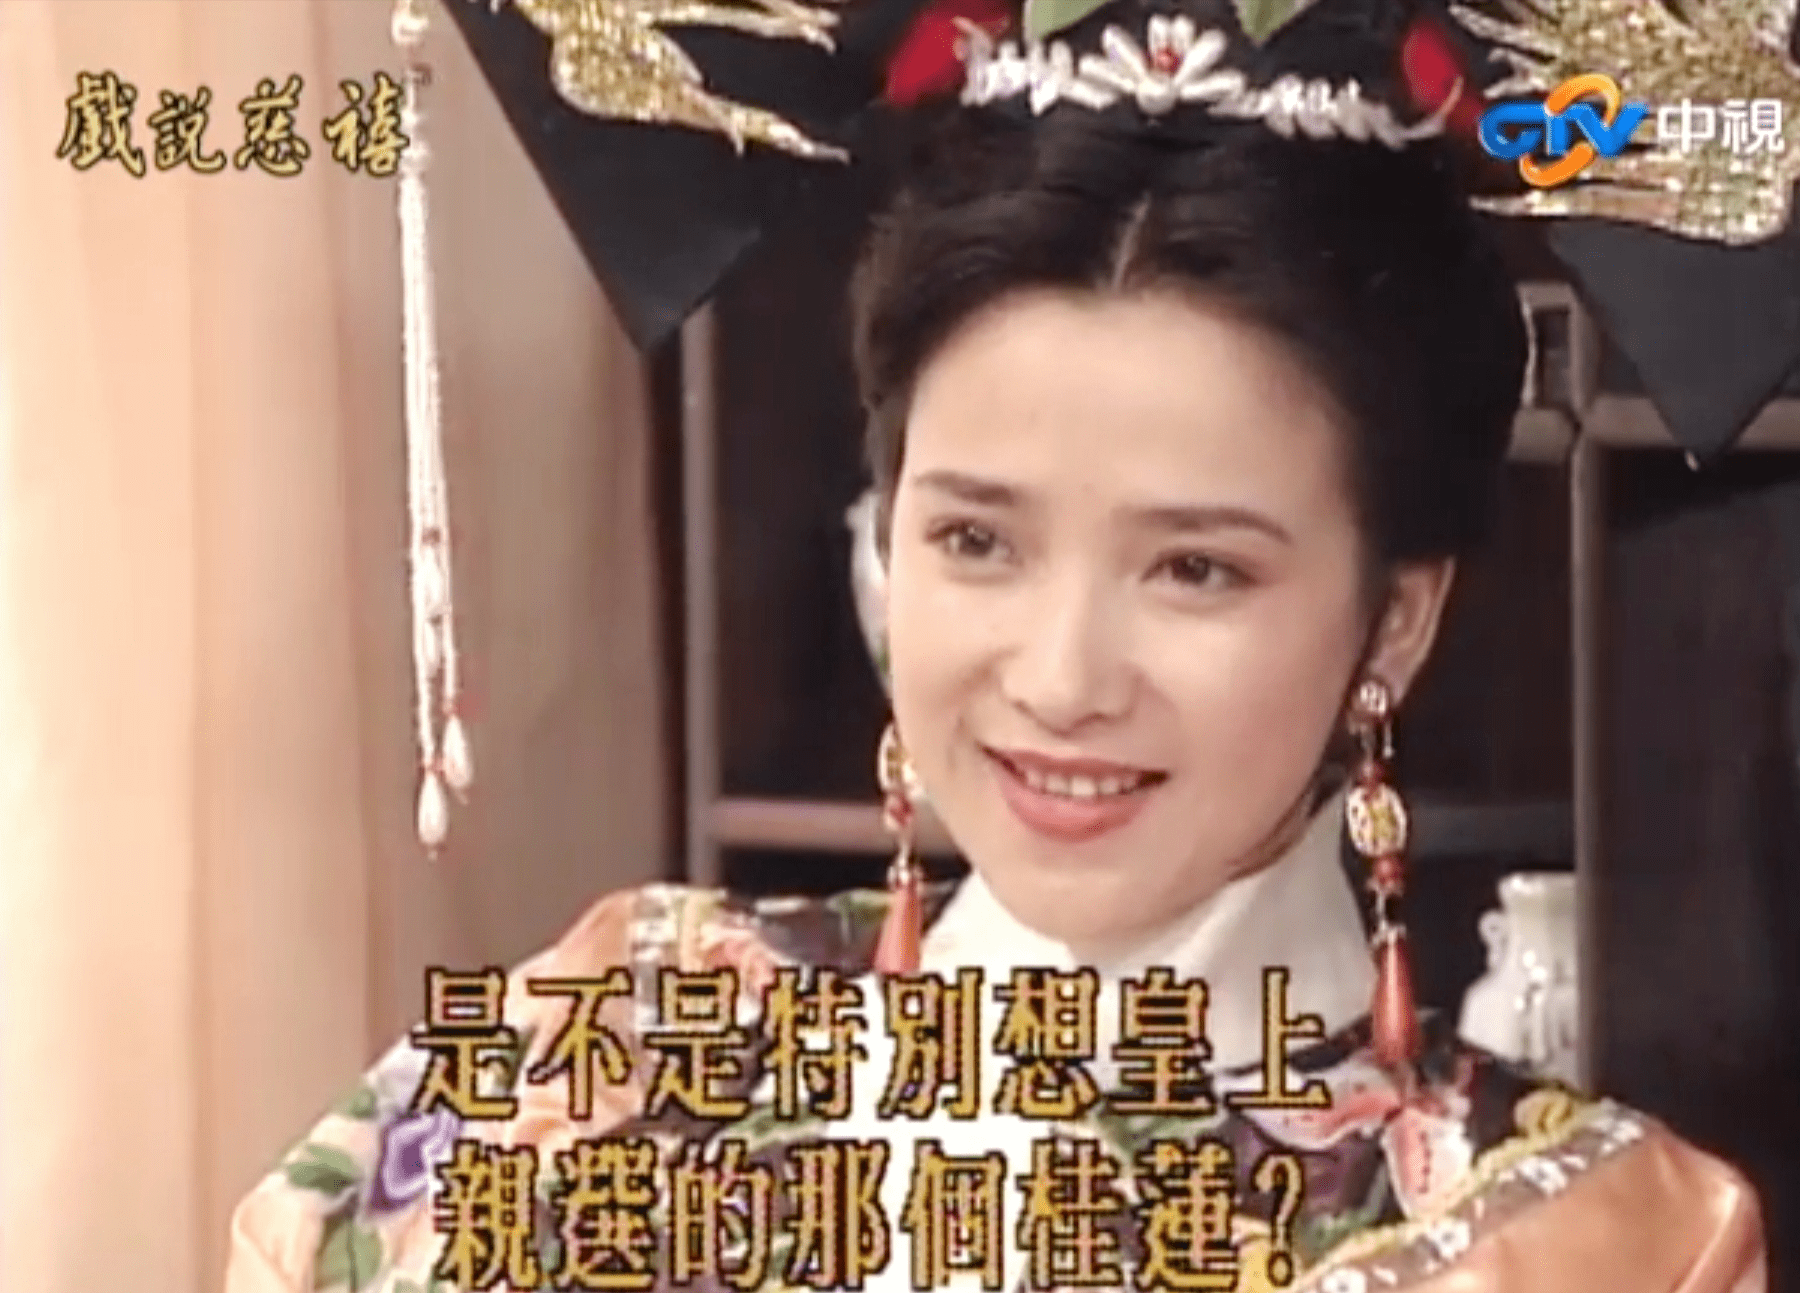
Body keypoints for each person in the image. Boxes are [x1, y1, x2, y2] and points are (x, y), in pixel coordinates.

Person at [226, 0, 1769, 1289]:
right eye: (976, 541)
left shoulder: (1580, 1243)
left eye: (1196, 569)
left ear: (1397, 617)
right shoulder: (611, 1049)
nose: (1060, 679)